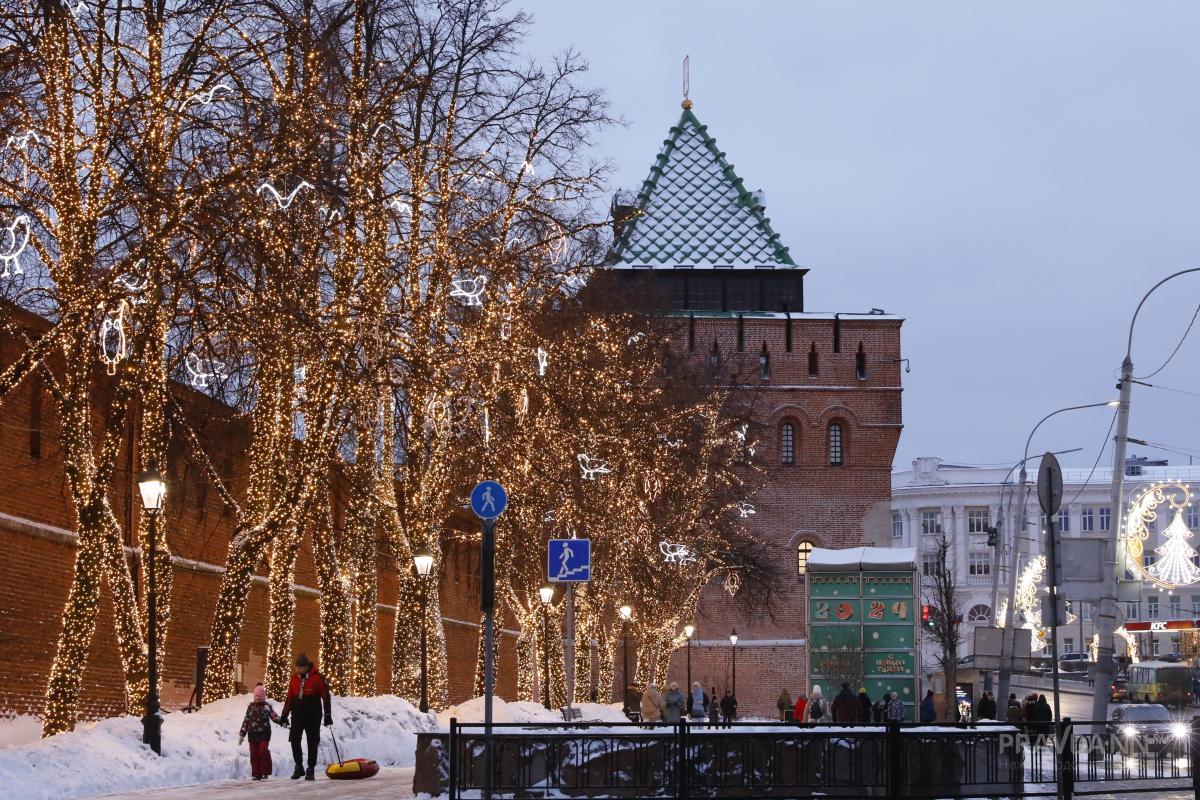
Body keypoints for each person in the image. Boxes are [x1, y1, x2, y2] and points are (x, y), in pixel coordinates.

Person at [280, 653, 333, 781]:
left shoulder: (318, 678)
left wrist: (327, 715)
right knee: (294, 740)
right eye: (296, 668)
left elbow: (326, 697)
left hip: (313, 716)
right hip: (297, 715)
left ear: (306, 666)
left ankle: (310, 768)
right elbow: (289, 699)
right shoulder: (294, 679)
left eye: (300, 668)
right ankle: (299, 766)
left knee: (312, 742)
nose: (298, 670)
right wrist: (284, 715)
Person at [238, 683, 286, 781]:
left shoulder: (267, 707)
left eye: (260, 696)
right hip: (252, 734)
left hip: (264, 733)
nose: (258, 698)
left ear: (263, 697)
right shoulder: (250, 707)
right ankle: (256, 774)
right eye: (256, 696)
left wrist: (282, 722)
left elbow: (274, 716)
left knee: (262, 752)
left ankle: (265, 772)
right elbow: (246, 720)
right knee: (254, 754)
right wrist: (242, 734)